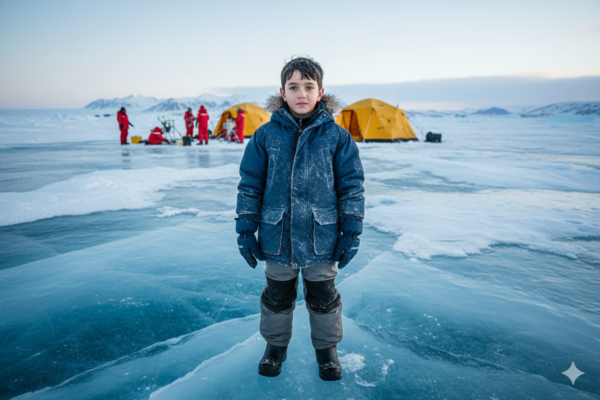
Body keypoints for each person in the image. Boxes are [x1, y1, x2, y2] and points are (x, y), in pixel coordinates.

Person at [235, 57, 364, 381]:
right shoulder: (265, 136)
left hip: (322, 235)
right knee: (277, 296)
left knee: (323, 298)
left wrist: (351, 232)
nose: (301, 93)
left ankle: (327, 352)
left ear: (320, 92)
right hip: (277, 235)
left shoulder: (338, 137)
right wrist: (246, 229)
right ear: (283, 92)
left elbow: (351, 186)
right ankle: (275, 348)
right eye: (294, 87)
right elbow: (250, 184)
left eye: (308, 87)